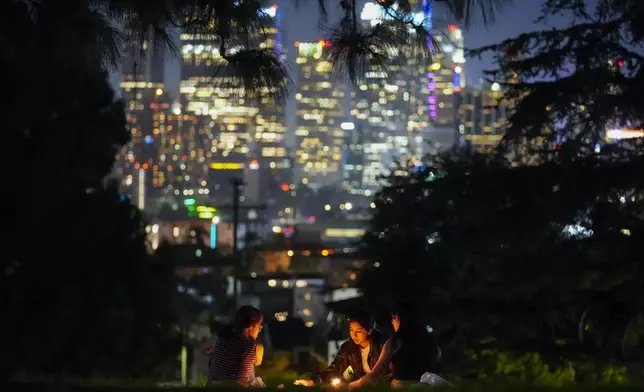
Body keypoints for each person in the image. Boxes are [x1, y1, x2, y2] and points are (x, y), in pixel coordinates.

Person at [348, 301, 440, 389]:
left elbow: (373, 376)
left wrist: (350, 386)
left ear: (401, 318)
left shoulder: (394, 343)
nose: (392, 322)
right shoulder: (430, 342)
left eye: (393, 318)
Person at [294, 309, 391, 386]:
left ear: (369, 331)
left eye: (359, 331)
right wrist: (313, 381)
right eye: (351, 330)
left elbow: (389, 373)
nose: (354, 335)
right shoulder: (348, 347)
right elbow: (336, 367)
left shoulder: (383, 345)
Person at [209, 306, 265, 386]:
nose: (260, 328)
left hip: (214, 386)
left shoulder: (221, 337)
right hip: (238, 388)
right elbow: (258, 363)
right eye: (259, 324)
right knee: (257, 379)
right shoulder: (255, 347)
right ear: (250, 326)